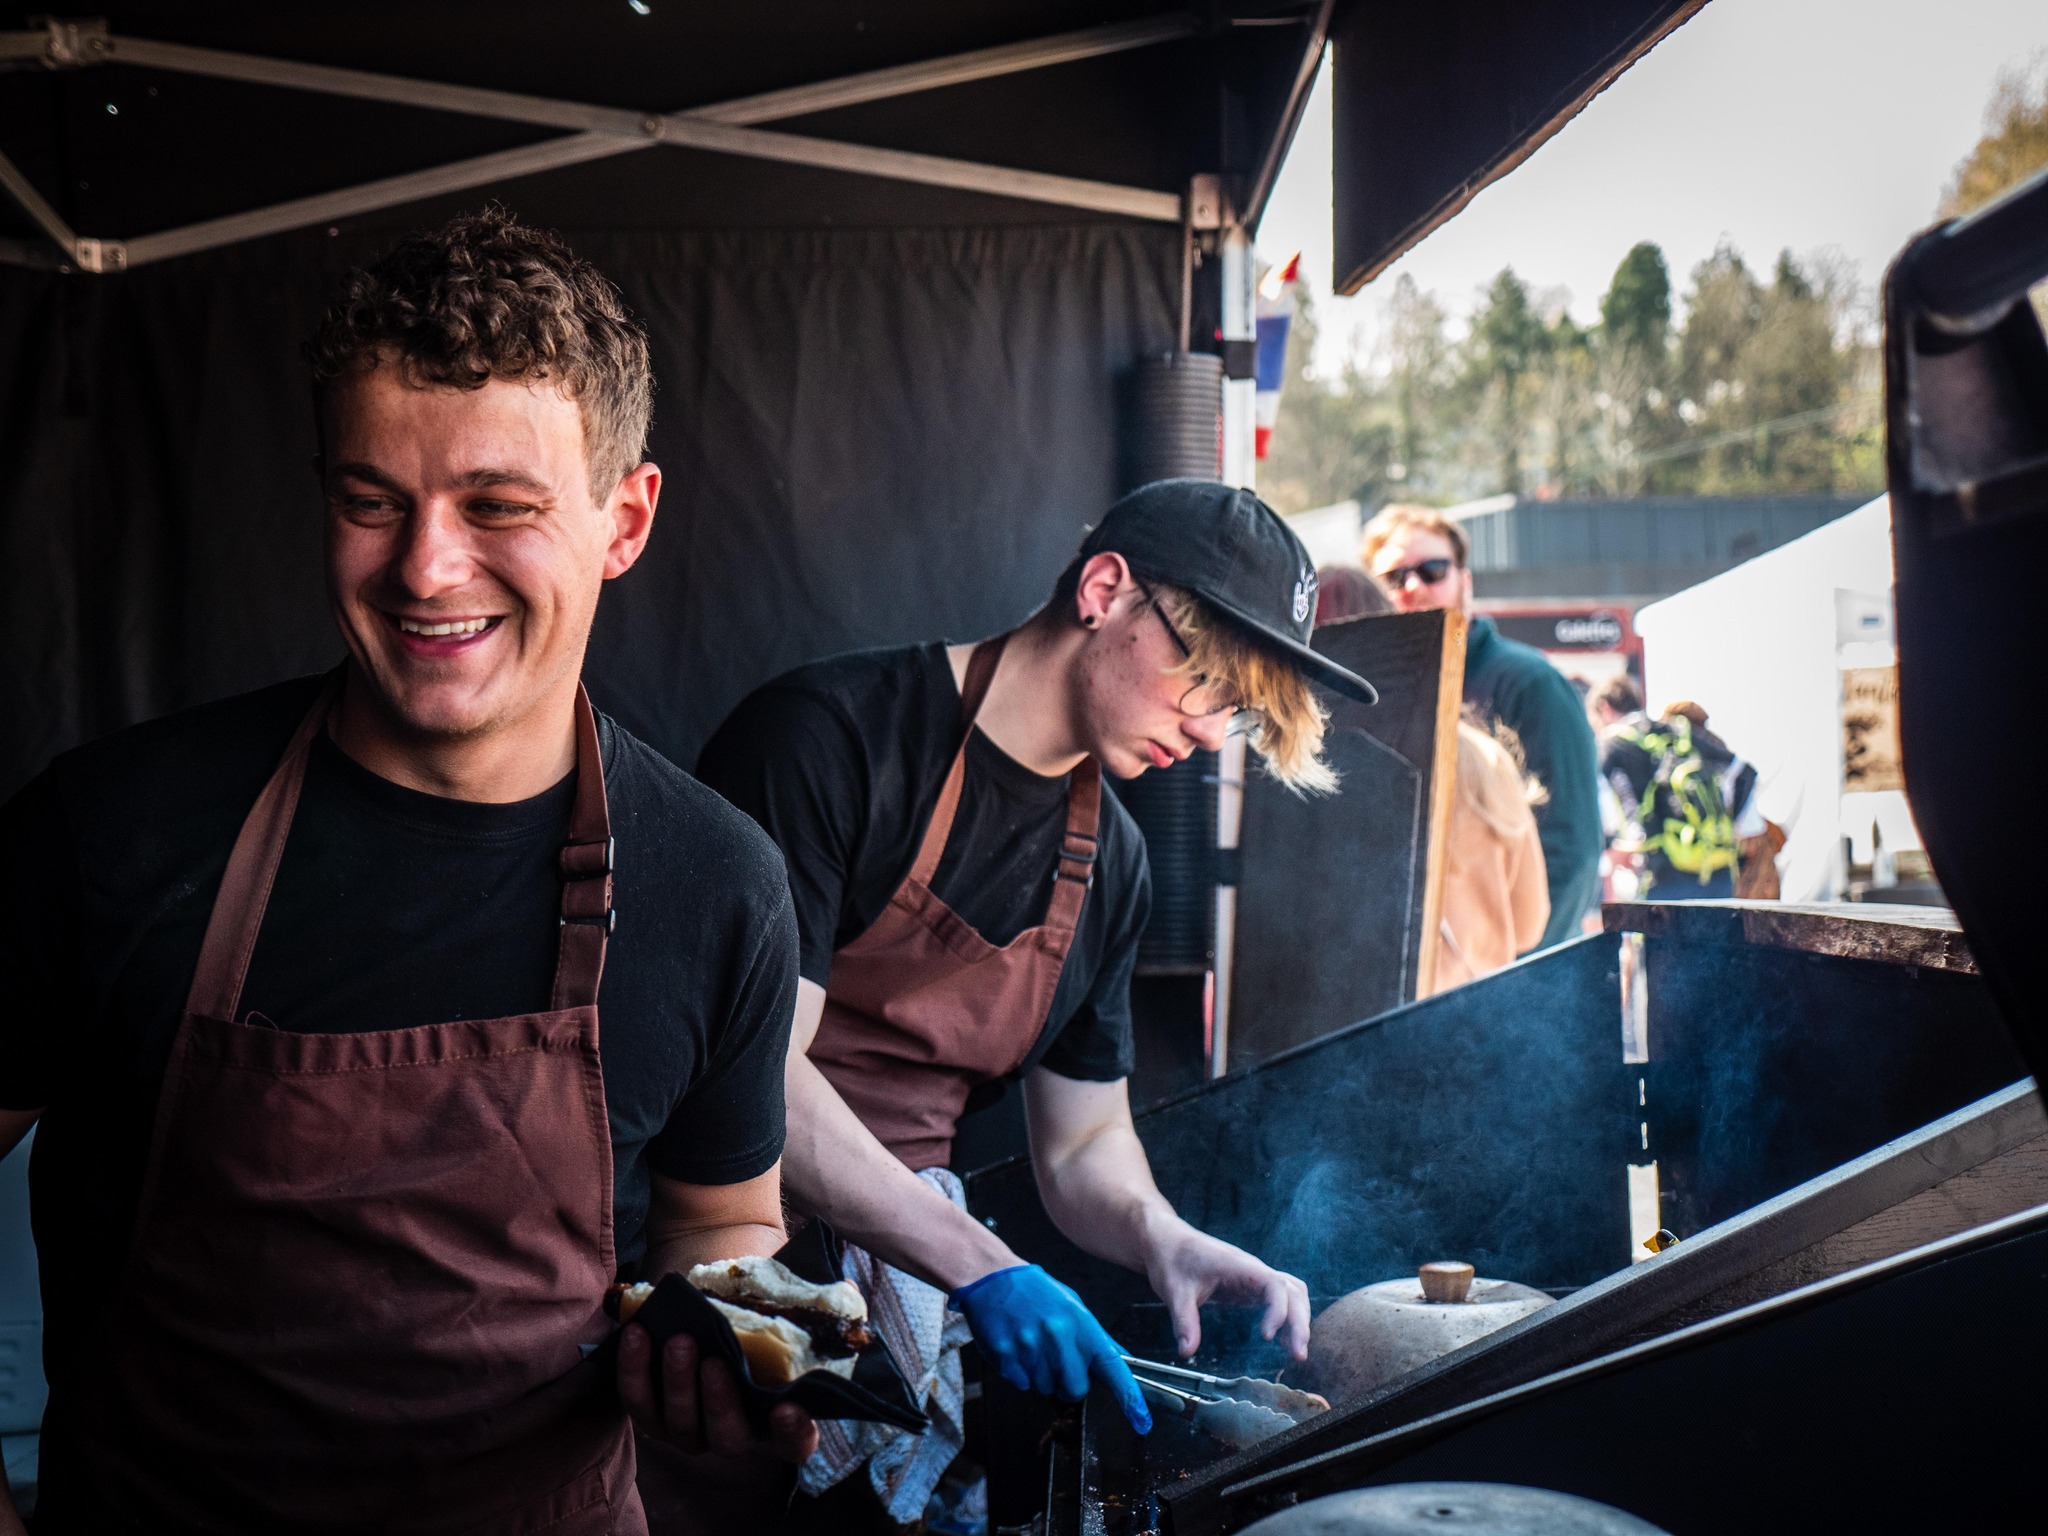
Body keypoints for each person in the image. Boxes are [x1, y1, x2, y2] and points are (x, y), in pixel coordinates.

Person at [0, 211, 813, 1534]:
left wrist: (741, 1344)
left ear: (625, 518)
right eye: (372, 501)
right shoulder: (113, 835)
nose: (427, 569)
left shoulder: (719, 884)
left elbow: (723, 1217)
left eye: (498, 506)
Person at [697, 480, 1377, 1527]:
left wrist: (1164, 1238)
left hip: (901, 1302)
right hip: (717, 1277)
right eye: (1201, 677)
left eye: (1232, 710)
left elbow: (1080, 1144)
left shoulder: (1114, 863)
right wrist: (980, 1264)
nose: (1207, 733)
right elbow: (756, 1081)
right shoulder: (825, 742)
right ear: (1104, 590)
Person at [1362, 504, 1601, 948]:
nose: (1413, 587)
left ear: (1465, 582)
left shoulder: (1531, 684)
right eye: (1393, 578)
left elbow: (1573, 850)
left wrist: (1512, 976)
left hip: (1506, 985)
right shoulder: (1376, 695)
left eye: (1433, 570)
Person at [1598, 692, 1765, 901]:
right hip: (1719, 873)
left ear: (1603, 709)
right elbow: (1745, 772)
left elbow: (1619, 811)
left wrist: (1631, 843)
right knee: (1716, 933)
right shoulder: (1677, 734)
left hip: (1665, 876)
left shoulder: (1612, 744)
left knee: (1662, 933)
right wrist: (1726, 828)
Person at [1430, 716, 1551, 993]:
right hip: (1478, 1002)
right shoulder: (1486, 759)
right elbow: (1528, 925)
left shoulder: (1375, 747)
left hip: (1381, 1010)